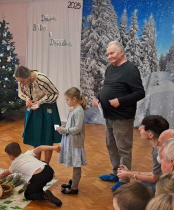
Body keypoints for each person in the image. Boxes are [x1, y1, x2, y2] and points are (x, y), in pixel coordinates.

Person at [92, 40, 145, 191]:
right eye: (108, 54)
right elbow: (106, 87)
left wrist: (120, 101)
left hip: (122, 116)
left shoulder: (131, 69)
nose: (109, 56)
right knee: (111, 145)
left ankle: (124, 180)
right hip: (108, 115)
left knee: (123, 148)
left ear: (121, 52)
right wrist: (98, 97)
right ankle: (116, 173)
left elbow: (140, 93)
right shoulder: (110, 68)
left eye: (112, 53)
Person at [14, 66, 61, 164]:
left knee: (48, 138)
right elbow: (21, 93)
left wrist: (40, 101)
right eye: (19, 81)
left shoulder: (42, 79)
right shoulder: (21, 81)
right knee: (36, 137)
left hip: (47, 108)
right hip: (34, 109)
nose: (21, 83)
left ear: (28, 77)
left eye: (22, 81)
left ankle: (46, 165)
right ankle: (37, 165)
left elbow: (55, 93)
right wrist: (27, 99)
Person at [0, 142, 62, 207]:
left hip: (38, 178)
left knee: (28, 195)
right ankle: (40, 189)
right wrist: (54, 148)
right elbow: (40, 148)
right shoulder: (27, 153)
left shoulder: (14, 164)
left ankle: (44, 195)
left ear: (11, 156)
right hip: (49, 171)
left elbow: (4, 174)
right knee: (40, 164)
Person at [117, 115, 169, 193]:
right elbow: (156, 174)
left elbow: (155, 178)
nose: (139, 128)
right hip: (167, 179)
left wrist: (130, 175)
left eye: (143, 127)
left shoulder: (158, 150)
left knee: (143, 187)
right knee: (144, 182)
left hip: (169, 184)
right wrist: (130, 172)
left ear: (151, 135)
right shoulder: (158, 145)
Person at [56, 87, 87, 194]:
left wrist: (64, 130)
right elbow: (71, 125)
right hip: (71, 141)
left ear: (74, 99)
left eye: (67, 100)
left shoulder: (78, 112)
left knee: (77, 164)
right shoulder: (73, 110)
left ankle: (74, 188)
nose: (66, 102)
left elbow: (77, 129)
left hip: (75, 143)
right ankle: (73, 181)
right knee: (75, 163)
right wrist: (64, 128)